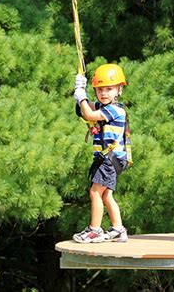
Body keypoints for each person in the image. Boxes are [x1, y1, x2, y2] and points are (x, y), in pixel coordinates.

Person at [72, 64, 129, 243]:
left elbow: (89, 114)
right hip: (110, 160)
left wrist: (81, 97)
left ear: (119, 90)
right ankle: (118, 229)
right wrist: (80, 90)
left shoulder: (115, 110)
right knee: (106, 195)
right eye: (100, 89)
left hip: (109, 160)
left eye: (109, 89)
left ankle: (94, 230)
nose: (104, 93)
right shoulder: (104, 106)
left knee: (95, 193)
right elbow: (84, 109)